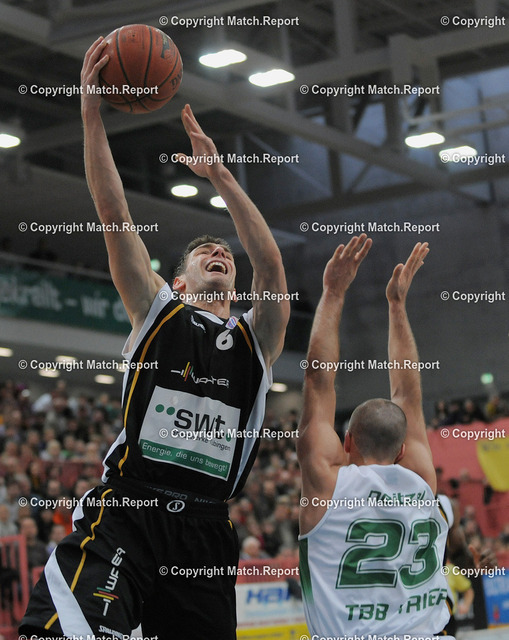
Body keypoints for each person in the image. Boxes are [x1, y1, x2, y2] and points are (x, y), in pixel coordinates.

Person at [20, 35, 289, 640]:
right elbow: (114, 214)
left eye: (226, 252)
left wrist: (220, 175)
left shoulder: (257, 340)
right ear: (178, 280)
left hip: (205, 530)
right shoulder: (156, 310)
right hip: (132, 511)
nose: (221, 251)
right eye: (204, 250)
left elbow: (271, 267)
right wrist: (92, 115)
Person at [297, 237, 455, 638]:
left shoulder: (327, 485)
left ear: (347, 442)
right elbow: (408, 395)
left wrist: (333, 292)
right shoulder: (421, 481)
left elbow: (318, 380)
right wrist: (397, 306)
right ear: (402, 450)